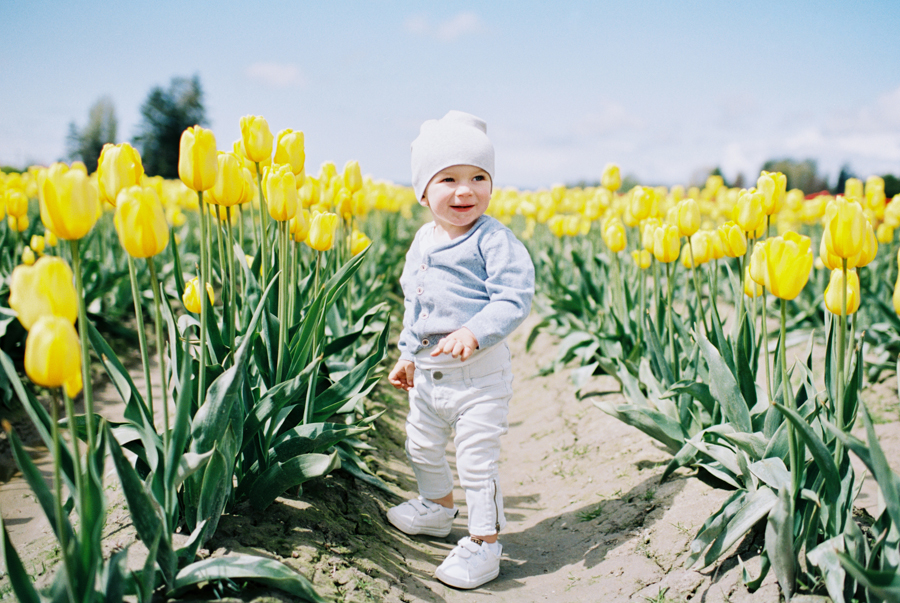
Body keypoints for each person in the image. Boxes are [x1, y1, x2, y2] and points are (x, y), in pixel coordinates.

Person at [387, 110, 535, 589]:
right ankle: (436, 507)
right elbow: (416, 301)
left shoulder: (494, 240)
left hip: (479, 378)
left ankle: (484, 543)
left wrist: (475, 330)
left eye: (478, 178)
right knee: (421, 446)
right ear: (423, 191)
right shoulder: (423, 240)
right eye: (447, 178)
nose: (464, 191)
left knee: (475, 460)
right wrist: (407, 352)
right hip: (429, 377)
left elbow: (514, 297)